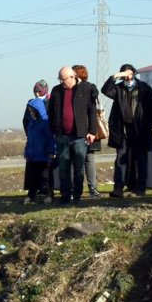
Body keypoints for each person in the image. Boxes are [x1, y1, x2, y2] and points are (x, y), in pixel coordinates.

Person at [101, 63, 152, 197]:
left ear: (134, 73)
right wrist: (116, 76)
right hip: (123, 130)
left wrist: (148, 125)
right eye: (125, 74)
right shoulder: (118, 89)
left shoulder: (144, 88)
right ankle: (118, 188)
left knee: (141, 159)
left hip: (140, 129)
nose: (128, 77)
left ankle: (140, 188)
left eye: (130, 73)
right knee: (120, 159)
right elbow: (105, 90)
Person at [47, 66, 97, 204]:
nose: (62, 82)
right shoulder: (56, 91)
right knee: (63, 168)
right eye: (60, 79)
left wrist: (92, 131)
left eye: (64, 79)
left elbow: (92, 111)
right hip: (62, 135)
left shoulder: (84, 89)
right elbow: (51, 112)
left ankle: (77, 196)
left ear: (73, 77)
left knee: (79, 168)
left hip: (79, 136)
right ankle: (65, 196)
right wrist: (54, 130)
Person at [73, 65, 102, 198]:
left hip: (89, 129)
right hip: (76, 131)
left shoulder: (89, 87)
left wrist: (92, 130)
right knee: (76, 161)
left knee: (89, 159)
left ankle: (93, 188)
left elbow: (95, 96)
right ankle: (77, 188)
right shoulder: (69, 90)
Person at [23, 95, 55, 204]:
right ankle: (30, 196)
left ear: (38, 110)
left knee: (46, 177)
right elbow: (29, 140)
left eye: (32, 111)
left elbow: (50, 139)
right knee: (33, 178)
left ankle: (49, 195)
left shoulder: (45, 123)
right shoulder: (31, 124)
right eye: (29, 111)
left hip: (44, 155)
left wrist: (51, 151)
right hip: (33, 156)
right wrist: (27, 152)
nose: (30, 113)